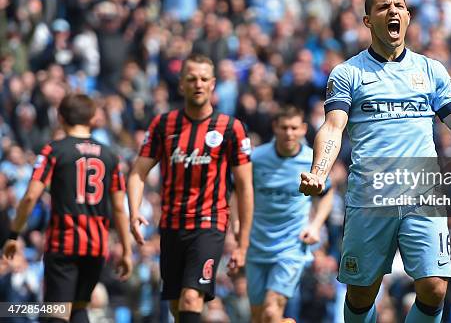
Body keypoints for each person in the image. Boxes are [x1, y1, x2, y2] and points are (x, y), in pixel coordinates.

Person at [299, 0, 451, 323]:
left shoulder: (431, 70)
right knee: (362, 292)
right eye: (382, 7)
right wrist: (319, 172)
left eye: (398, 6)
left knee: (435, 287)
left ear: (407, 16)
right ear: (368, 21)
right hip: (370, 196)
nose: (392, 11)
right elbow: (333, 127)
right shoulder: (348, 73)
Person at [127, 53, 253, 323]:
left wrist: (242, 244)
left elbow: (244, 187)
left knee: (191, 298)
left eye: (204, 79)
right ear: (181, 84)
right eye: (192, 79)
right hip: (171, 225)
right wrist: (134, 211)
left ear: (213, 84)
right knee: (176, 306)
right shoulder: (163, 125)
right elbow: (137, 173)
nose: (198, 84)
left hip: (209, 223)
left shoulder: (231, 128)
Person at [2, 94, 132, 323]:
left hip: (64, 243)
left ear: (60, 118)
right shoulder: (111, 156)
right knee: (79, 307)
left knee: (56, 312)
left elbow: (31, 195)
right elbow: (120, 208)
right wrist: (126, 249)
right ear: (93, 118)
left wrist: (13, 234)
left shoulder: (54, 150)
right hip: (96, 246)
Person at [247, 105, 334, 323]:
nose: (289, 133)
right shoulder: (256, 158)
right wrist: (237, 229)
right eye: (284, 127)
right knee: (259, 317)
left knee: (270, 310)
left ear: (304, 129)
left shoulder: (312, 161)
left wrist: (315, 226)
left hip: (292, 246)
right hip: (257, 244)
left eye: (294, 128)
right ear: (275, 127)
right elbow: (239, 192)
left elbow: (327, 194)